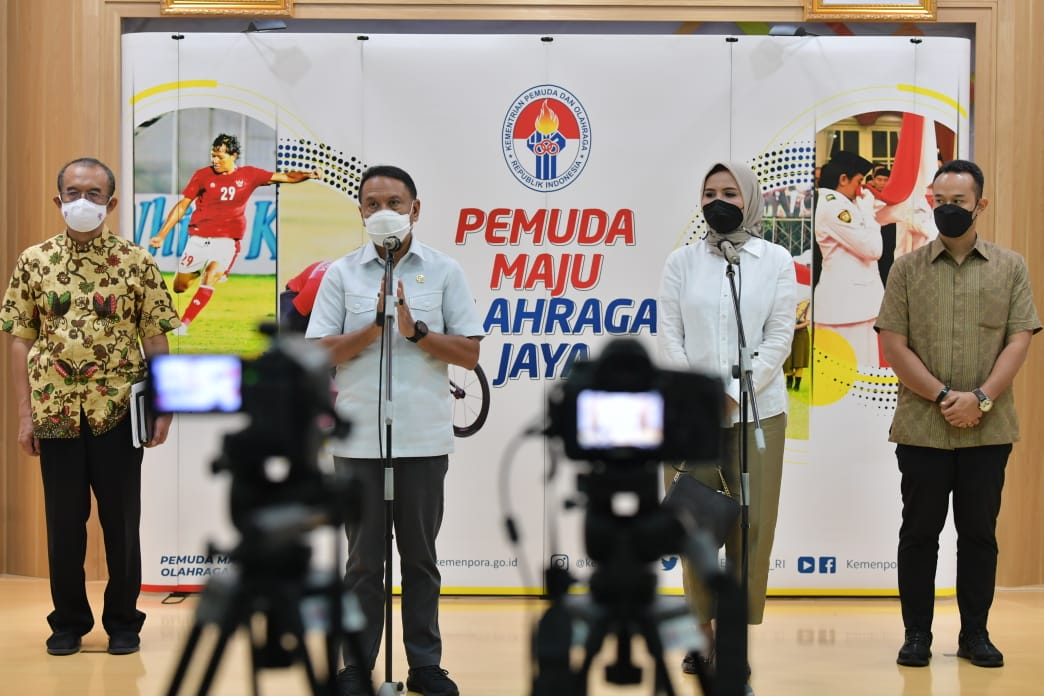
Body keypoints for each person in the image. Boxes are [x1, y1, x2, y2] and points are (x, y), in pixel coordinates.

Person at [306, 165, 483, 696]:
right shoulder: (341, 274)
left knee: (421, 558)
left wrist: (415, 331)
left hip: (423, 438)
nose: (384, 211)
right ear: (360, 211)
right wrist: (372, 328)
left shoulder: (445, 271)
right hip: (358, 441)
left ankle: (425, 665)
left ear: (415, 209)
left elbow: (470, 354)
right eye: (373, 203)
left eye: (395, 202)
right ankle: (355, 666)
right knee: (363, 560)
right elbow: (317, 353)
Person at [1, 157, 181, 656]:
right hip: (54, 410)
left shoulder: (136, 261)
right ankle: (68, 622)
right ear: (58, 200)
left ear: (112, 202)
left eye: (95, 193)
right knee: (63, 523)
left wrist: (163, 408)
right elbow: (20, 339)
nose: (84, 202)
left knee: (122, 523)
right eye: (74, 193)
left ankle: (124, 621)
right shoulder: (34, 261)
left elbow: (155, 337)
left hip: (118, 413)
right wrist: (23, 414)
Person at [875, 159, 1040, 669]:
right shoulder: (905, 268)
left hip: (988, 429)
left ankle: (975, 635)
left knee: (979, 535)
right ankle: (917, 635)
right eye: (939, 201)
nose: (947, 210)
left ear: (980, 205)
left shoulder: (1011, 267)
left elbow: (1018, 340)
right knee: (919, 533)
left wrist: (982, 398)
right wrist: (947, 396)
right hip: (922, 428)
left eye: (959, 202)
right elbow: (895, 345)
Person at [658, 161, 796, 696]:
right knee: (697, 527)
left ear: (750, 200)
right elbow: (669, 334)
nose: (719, 201)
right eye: (710, 192)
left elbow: (780, 336)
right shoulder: (681, 262)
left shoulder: (775, 260)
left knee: (750, 530)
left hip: (760, 413)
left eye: (730, 192)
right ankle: (703, 634)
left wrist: (735, 394)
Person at [148, 133, 321, 336]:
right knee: (180, 287)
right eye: (213, 155)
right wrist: (161, 235)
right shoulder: (202, 175)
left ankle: (183, 325)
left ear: (234, 156)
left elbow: (285, 177)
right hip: (198, 239)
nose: (215, 161)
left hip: (227, 241)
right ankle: (197, 275)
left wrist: (309, 174)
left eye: (220, 157)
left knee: (211, 275)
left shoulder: (249, 175)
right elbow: (183, 205)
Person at [813, 151, 884, 366]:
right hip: (847, 307)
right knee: (855, 373)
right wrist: (869, 215)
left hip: (852, 305)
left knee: (860, 373)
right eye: (859, 181)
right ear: (843, 179)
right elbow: (873, 249)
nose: (860, 188)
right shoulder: (837, 207)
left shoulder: (839, 204)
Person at [784, 298, 811, 391]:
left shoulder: (808, 303)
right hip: (788, 331)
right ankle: (789, 383)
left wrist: (796, 327)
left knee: (799, 361)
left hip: (801, 333)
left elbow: (809, 321)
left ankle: (796, 386)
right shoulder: (788, 300)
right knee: (788, 359)